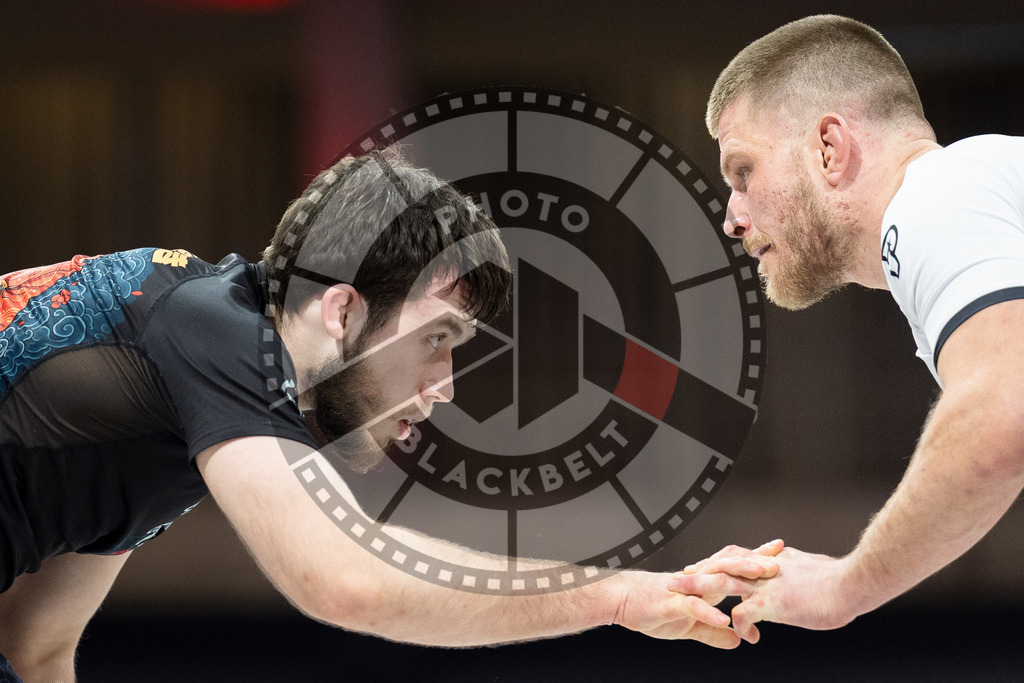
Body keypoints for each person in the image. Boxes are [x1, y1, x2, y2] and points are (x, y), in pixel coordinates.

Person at [0, 149, 779, 681]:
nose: (445, 385)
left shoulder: (182, 393)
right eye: (438, 338)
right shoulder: (208, 328)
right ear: (341, 310)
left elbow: (37, 645)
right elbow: (348, 579)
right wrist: (615, 596)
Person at [674, 13, 1024, 643]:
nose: (731, 216)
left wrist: (846, 587)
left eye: (743, 172)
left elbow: (1001, 414)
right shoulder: (965, 202)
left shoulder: (937, 196)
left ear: (828, 148)